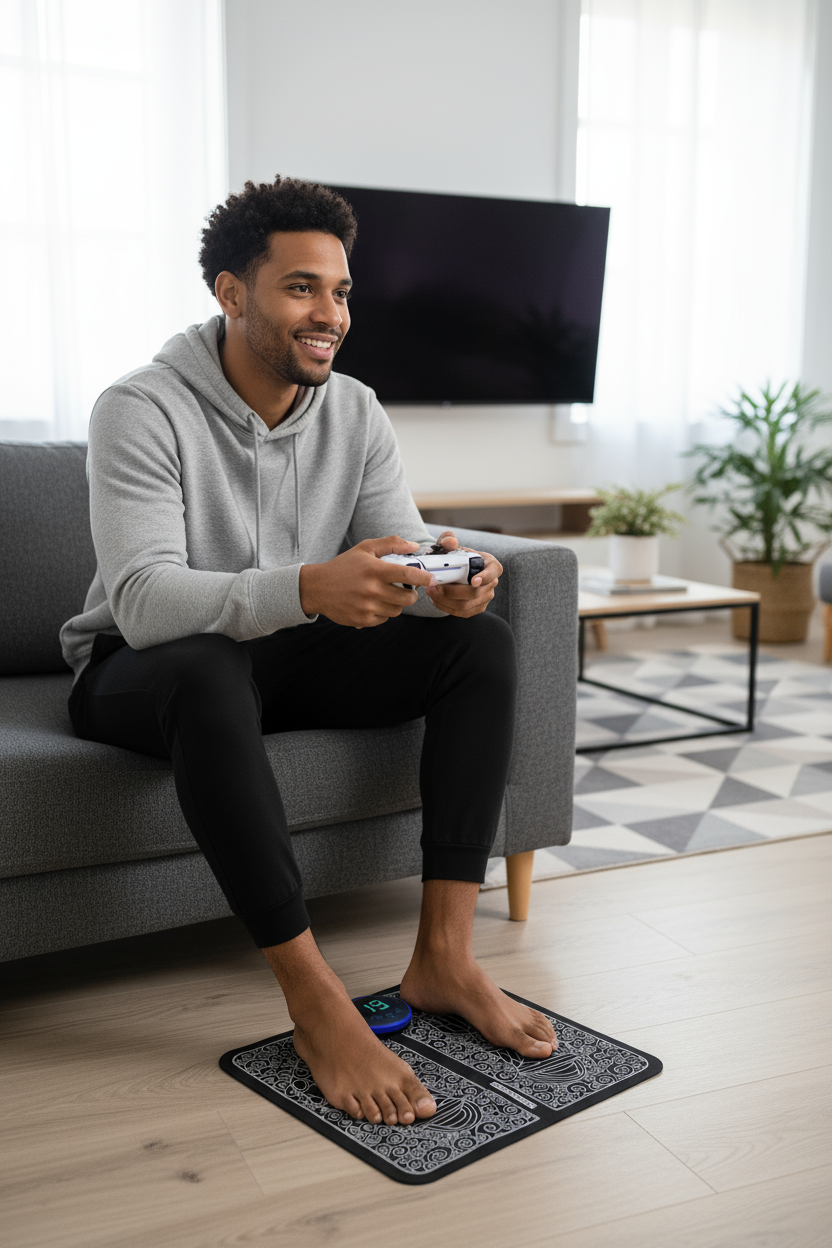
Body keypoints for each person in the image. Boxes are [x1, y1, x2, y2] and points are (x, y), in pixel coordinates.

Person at [61, 176, 556, 1128]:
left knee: (480, 648)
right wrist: (305, 588)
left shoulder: (355, 409)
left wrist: (443, 581)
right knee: (209, 665)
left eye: (340, 291)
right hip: (143, 668)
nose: (330, 313)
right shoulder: (139, 407)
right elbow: (145, 598)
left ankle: (445, 957)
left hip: (283, 657)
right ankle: (314, 997)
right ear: (231, 292)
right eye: (300, 288)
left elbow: (393, 545)